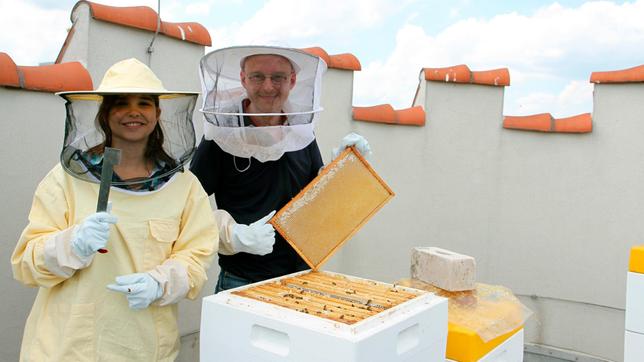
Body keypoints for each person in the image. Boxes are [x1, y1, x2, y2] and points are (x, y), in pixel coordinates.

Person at [11, 58, 217, 361]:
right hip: (68, 346)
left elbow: (196, 259)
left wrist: (160, 283)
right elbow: (27, 264)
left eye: (144, 103)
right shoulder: (64, 179)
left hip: (144, 347)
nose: (133, 111)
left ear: (157, 113)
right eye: (121, 103)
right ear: (105, 114)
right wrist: (71, 244)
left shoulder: (184, 187)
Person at [191, 46, 371, 293]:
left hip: (299, 277)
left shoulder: (301, 131)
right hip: (241, 280)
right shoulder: (221, 135)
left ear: (292, 80)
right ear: (243, 78)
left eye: (278, 77)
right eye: (257, 76)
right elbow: (188, 207)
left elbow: (315, 200)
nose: (267, 87)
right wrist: (233, 236)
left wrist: (341, 170)